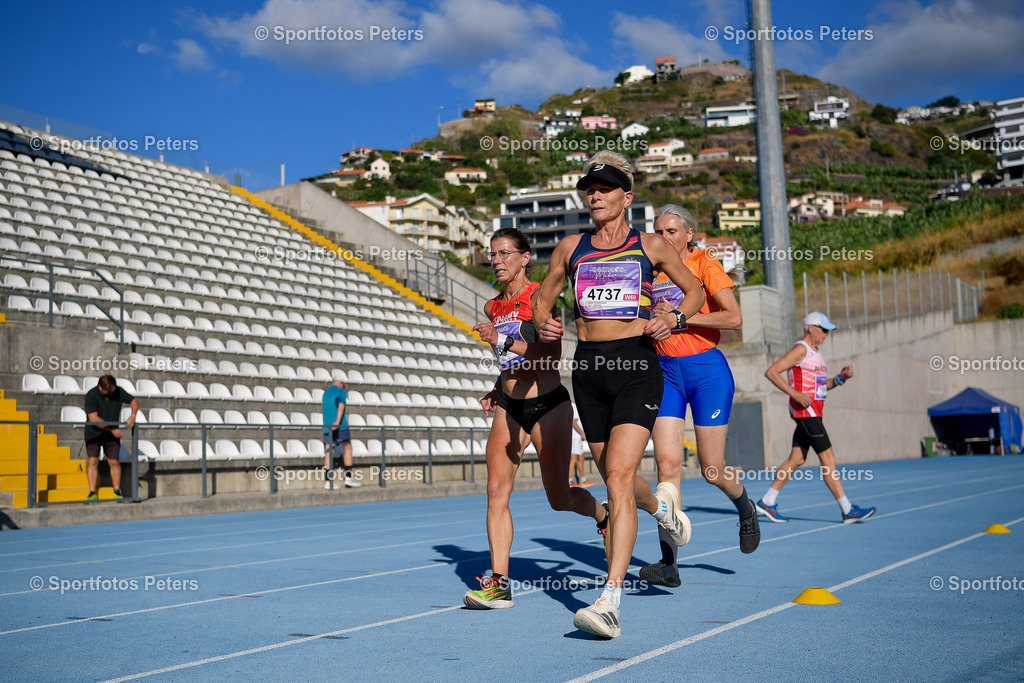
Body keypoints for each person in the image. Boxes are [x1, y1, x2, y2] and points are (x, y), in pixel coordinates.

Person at [533, 151, 706, 638]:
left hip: (636, 364)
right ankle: (662, 509)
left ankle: (610, 599)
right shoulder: (571, 247)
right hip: (587, 370)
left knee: (617, 476)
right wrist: (541, 321)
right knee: (622, 481)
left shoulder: (650, 245)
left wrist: (673, 318)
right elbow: (542, 300)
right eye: (589, 189)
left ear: (626, 197)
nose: (595, 196)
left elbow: (693, 292)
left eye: (605, 188)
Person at [463, 227, 609, 610]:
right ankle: (498, 583)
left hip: (548, 404)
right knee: (496, 490)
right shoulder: (492, 307)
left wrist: (501, 340)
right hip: (510, 408)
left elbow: (548, 356)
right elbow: (508, 361)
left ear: (525, 257)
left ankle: (602, 514)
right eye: (492, 254)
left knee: (558, 498)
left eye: (505, 253)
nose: (496, 261)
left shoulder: (542, 297)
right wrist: (498, 386)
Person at [638, 205, 760, 589]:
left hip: (706, 370)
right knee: (667, 468)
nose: (664, 236)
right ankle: (668, 563)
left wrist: (680, 317)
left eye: (672, 230)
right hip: (666, 374)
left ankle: (746, 507)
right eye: (658, 230)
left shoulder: (704, 263)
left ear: (689, 233)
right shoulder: (652, 268)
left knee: (711, 470)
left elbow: (734, 318)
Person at [755, 312, 875, 523]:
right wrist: (795, 394)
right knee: (828, 458)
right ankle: (847, 510)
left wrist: (840, 379)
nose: (827, 335)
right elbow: (772, 372)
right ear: (812, 328)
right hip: (806, 413)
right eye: (824, 330)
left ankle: (767, 502)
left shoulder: (815, 354)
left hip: (813, 412)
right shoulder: (801, 349)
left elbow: (821, 385)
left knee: (797, 459)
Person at [83, 375, 139, 501]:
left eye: (111, 391)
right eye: (107, 391)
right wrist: (112, 429)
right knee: (92, 461)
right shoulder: (91, 395)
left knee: (114, 462)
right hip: (94, 433)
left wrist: (133, 416)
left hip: (111, 435)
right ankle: (92, 493)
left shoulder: (118, 391)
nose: (109, 393)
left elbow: (134, 400)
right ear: (100, 387)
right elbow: (94, 419)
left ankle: (117, 491)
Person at [322, 377, 361, 488]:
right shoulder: (341, 391)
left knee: (330, 450)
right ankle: (348, 477)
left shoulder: (326, 393)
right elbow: (341, 405)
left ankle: (328, 482)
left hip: (327, 426)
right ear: (340, 383)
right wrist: (338, 421)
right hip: (339, 426)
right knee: (347, 447)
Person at [568, 401, 592, 487]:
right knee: (573, 459)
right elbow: (574, 422)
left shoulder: (575, 406)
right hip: (575, 437)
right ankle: (569, 480)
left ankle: (583, 479)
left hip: (577, 437)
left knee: (581, 457)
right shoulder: (573, 406)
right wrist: (582, 433)